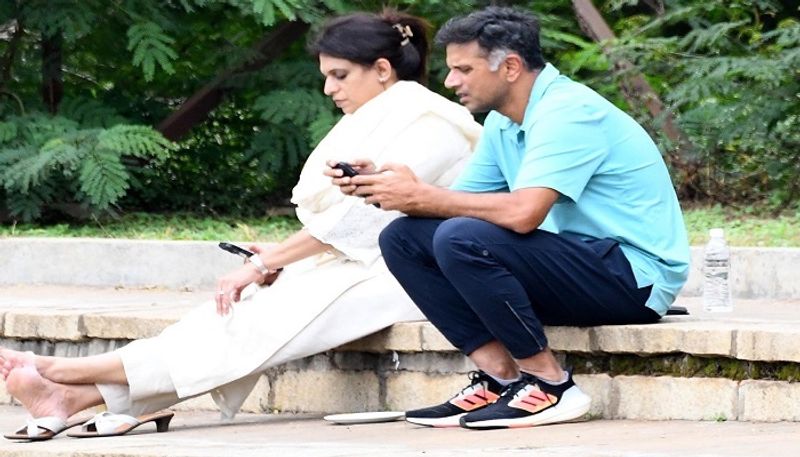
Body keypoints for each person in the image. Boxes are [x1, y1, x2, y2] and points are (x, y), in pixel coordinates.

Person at [0, 10, 481, 440]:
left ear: (381, 70)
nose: (329, 89)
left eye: (339, 75)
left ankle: (72, 374)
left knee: (266, 314)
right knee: (241, 307)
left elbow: (362, 217)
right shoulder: (374, 116)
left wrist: (263, 262)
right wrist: (266, 264)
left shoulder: (431, 120)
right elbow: (338, 219)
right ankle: (82, 397)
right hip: (358, 263)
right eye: (326, 76)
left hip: (410, 270)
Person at [342, 6, 690, 429]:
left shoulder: (568, 112)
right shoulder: (503, 125)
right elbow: (457, 204)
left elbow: (524, 214)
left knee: (459, 236)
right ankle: (498, 378)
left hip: (633, 278)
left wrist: (424, 195)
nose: (452, 81)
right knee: (405, 238)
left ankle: (551, 384)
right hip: (577, 267)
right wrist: (392, 187)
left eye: (463, 69)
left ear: (509, 66)